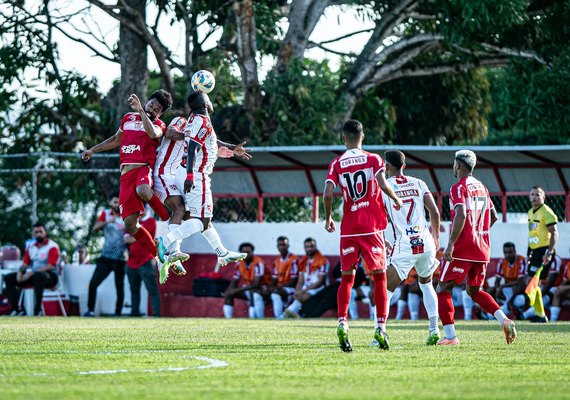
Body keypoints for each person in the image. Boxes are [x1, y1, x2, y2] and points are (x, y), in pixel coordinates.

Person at [323, 119, 403, 352]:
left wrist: (328, 218)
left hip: (349, 227)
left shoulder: (336, 162)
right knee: (379, 278)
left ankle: (342, 323)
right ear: (363, 136)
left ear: (343, 138)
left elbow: (328, 192)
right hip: (371, 226)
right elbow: (381, 182)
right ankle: (380, 328)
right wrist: (396, 199)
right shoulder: (373, 158)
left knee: (347, 277)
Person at [155, 92, 250, 282]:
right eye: (208, 97)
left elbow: (210, 141)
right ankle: (165, 241)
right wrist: (191, 175)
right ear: (205, 103)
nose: (211, 99)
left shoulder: (196, 120)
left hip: (189, 173)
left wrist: (232, 148)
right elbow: (192, 148)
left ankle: (221, 252)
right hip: (197, 175)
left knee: (202, 219)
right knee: (202, 220)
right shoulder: (201, 121)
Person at [82, 90, 174, 266]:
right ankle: (159, 256)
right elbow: (116, 140)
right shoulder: (128, 118)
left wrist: (141, 110)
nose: (152, 110)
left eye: (156, 109)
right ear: (147, 102)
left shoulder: (160, 125)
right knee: (131, 225)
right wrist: (93, 150)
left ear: (160, 113)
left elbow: (153, 134)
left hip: (143, 169)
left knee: (144, 190)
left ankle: (167, 216)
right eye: (151, 105)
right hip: (126, 176)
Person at [437, 150, 516, 345]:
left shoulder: (458, 188)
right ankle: (503, 320)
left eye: (454, 163)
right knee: (474, 291)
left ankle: (450, 337)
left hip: (464, 248)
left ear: (458, 166)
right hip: (482, 248)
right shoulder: (483, 187)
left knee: (442, 289)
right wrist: (479, 231)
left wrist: (451, 245)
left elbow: (461, 215)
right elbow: (494, 216)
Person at [382, 149, 441, 345]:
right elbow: (434, 212)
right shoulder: (419, 183)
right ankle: (434, 328)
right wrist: (435, 239)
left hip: (405, 243)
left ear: (386, 167)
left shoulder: (384, 187)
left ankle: (379, 333)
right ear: (404, 166)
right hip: (425, 241)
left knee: (386, 289)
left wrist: (383, 238)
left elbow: (378, 219)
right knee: (426, 285)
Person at [84, 193, 127, 317]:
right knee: (93, 283)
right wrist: (107, 221)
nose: (117, 204)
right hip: (106, 257)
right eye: (115, 202)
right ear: (110, 203)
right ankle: (90, 311)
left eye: (119, 202)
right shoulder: (105, 214)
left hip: (120, 257)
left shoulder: (126, 214)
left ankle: (117, 313)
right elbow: (95, 228)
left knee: (119, 286)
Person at [5, 222, 60, 316]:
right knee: (9, 278)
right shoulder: (31, 247)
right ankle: (16, 310)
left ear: (45, 232)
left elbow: (51, 266)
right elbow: (25, 264)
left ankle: (38, 310)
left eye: (41, 231)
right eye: (36, 232)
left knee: (39, 276)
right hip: (34, 276)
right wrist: (20, 272)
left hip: (50, 277)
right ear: (33, 234)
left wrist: (31, 272)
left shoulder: (52, 246)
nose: (39, 234)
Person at [524, 186, 558, 322]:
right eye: (532, 194)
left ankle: (539, 312)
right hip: (535, 252)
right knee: (533, 283)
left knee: (532, 282)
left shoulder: (547, 212)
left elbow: (554, 233)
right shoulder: (530, 212)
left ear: (544, 197)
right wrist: (529, 253)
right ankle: (540, 314)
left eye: (537, 194)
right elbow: (532, 234)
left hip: (544, 251)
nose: (534, 197)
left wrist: (549, 252)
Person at [125, 208, 161, 317]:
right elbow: (127, 239)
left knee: (152, 289)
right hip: (131, 261)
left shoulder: (150, 221)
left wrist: (134, 236)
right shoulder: (131, 221)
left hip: (146, 261)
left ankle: (157, 314)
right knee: (134, 289)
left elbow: (138, 237)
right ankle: (134, 313)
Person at [283, 238, 330, 319]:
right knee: (296, 295)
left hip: (319, 288)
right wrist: (298, 291)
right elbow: (300, 281)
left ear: (315, 247)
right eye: (307, 247)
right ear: (304, 248)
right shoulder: (303, 261)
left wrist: (303, 291)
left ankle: (287, 314)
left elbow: (320, 281)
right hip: (307, 288)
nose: (309, 249)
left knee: (301, 297)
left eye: (311, 246)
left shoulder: (323, 260)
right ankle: (290, 314)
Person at [223, 243, 271, 318]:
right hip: (249, 287)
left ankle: (252, 317)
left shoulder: (258, 263)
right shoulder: (239, 264)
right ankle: (228, 318)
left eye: (248, 252)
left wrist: (236, 290)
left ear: (252, 252)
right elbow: (235, 280)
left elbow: (256, 284)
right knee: (229, 293)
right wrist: (229, 290)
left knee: (252, 291)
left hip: (262, 288)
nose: (246, 254)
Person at [493, 242, 527, 317]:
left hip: (519, 290)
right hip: (507, 289)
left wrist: (503, 286)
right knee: (490, 291)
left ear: (515, 252)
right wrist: (497, 289)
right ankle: (487, 311)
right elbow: (497, 281)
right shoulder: (502, 262)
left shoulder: (522, 260)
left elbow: (520, 282)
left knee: (517, 290)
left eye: (510, 252)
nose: (507, 255)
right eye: (505, 253)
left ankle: (492, 315)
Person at [269, 236, 299, 319]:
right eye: (280, 245)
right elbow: (274, 278)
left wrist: (277, 288)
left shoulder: (294, 259)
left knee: (276, 292)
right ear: (277, 246)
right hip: (281, 288)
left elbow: (294, 281)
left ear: (288, 246)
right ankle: (278, 317)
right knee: (272, 292)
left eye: (284, 245)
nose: (282, 247)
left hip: (291, 288)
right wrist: (269, 288)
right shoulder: (277, 261)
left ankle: (279, 318)